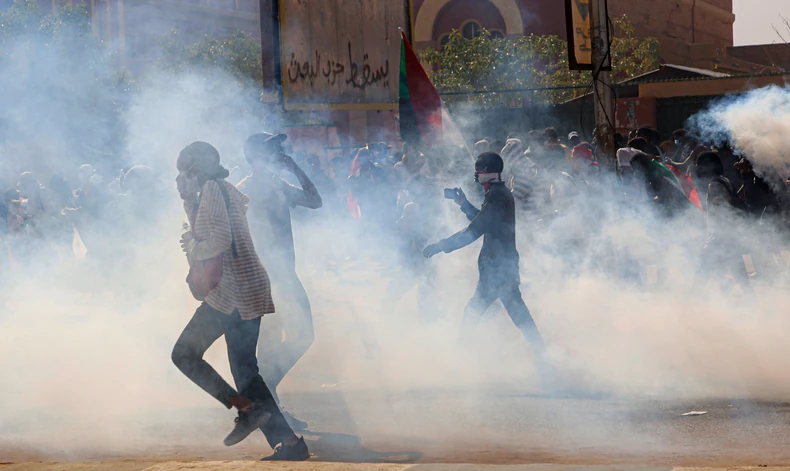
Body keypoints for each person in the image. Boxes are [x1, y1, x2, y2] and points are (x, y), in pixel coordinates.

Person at [172, 141, 309, 461]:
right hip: (241, 290)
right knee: (246, 371)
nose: (180, 177)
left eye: (184, 170)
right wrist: (188, 205)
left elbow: (220, 240)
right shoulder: (211, 192)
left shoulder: (214, 191)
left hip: (233, 294)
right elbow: (211, 231)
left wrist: (193, 244)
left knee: (184, 354)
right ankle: (289, 443)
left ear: (198, 169)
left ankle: (247, 410)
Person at [423, 153, 548, 368]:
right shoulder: (497, 194)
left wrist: (440, 246)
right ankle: (546, 360)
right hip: (499, 267)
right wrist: (463, 203)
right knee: (516, 316)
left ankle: (459, 361)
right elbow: (483, 222)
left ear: (489, 171)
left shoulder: (498, 196)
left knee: (478, 313)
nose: (476, 174)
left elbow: (474, 230)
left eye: (479, 169)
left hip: (497, 269)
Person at [237, 133, 322, 431]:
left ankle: (267, 399)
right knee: (275, 343)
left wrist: (294, 168)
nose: (280, 152)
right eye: (273, 149)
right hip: (265, 277)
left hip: (282, 275)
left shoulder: (276, 184)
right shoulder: (244, 191)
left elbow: (315, 201)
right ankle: (268, 406)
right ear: (258, 155)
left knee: (296, 338)